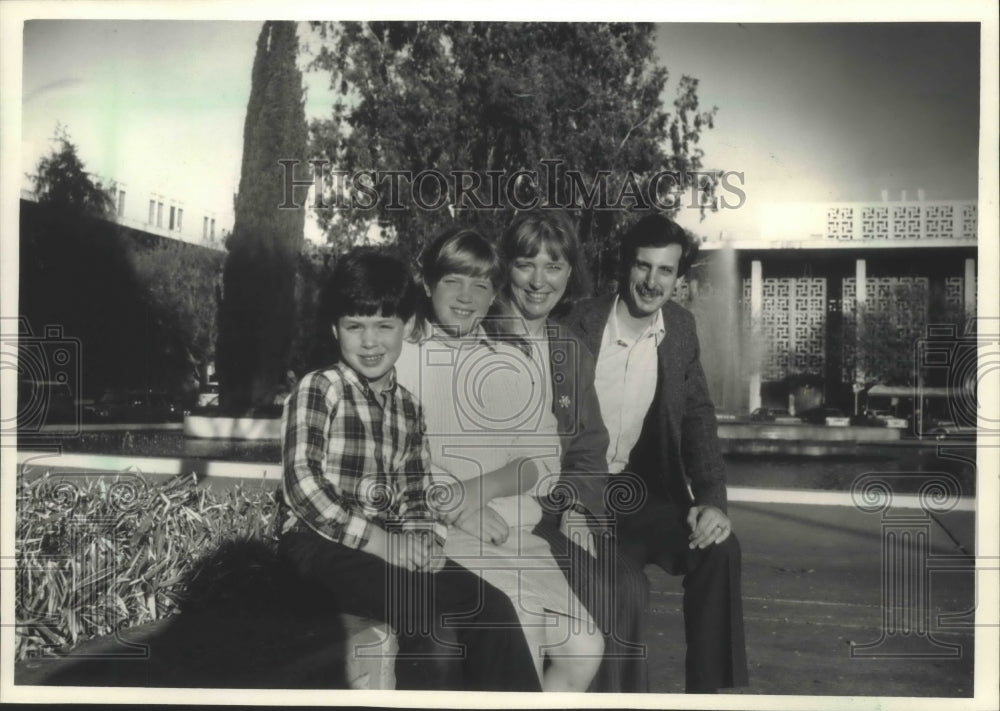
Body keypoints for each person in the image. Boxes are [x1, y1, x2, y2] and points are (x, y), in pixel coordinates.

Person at [276, 247, 541, 691]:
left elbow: (416, 492)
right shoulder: (320, 387)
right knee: (430, 620)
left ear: (407, 327)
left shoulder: (408, 408)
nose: (370, 341)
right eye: (355, 326)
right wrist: (382, 541)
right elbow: (302, 487)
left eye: (384, 325)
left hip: (381, 554)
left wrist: (422, 539)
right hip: (318, 550)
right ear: (334, 329)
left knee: (491, 606)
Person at [394, 228, 604, 691]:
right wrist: (456, 503)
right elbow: (390, 456)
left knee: (586, 645)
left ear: (495, 295)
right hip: (444, 535)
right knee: (523, 625)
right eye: (453, 281)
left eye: (481, 285)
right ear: (427, 284)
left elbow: (543, 460)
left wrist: (477, 492)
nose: (467, 298)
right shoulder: (403, 356)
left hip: (515, 536)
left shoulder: (509, 356)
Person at [560, 213, 749, 694]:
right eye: (643, 266)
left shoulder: (681, 328)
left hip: (644, 494)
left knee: (720, 550)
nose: (652, 281)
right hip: (582, 497)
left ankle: (706, 697)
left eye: (665, 270)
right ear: (626, 267)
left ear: (678, 278)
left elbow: (698, 417)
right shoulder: (577, 323)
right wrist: (564, 504)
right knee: (626, 591)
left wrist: (711, 501)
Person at [495, 209, 649, 692]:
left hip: (556, 509)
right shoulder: (479, 336)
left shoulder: (568, 348)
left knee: (626, 586)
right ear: (506, 268)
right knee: (598, 587)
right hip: (500, 509)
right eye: (526, 264)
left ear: (569, 273)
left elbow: (588, 446)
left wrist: (577, 504)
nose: (539, 281)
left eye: (554, 267)